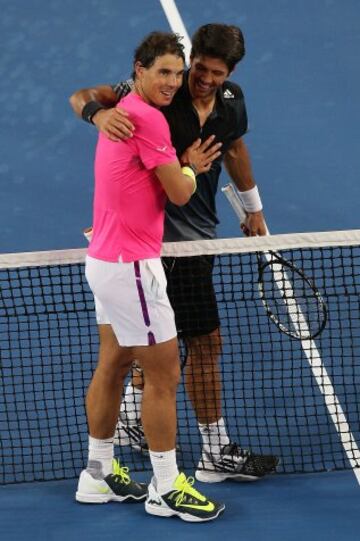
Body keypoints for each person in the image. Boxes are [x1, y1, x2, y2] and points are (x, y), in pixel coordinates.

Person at [70, 23, 279, 483]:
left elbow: (236, 149)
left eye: (214, 73)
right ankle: (210, 454)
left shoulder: (230, 102)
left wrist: (253, 208)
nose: (201, 80)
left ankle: (121, 431)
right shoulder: (154, 96)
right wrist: (97, 115)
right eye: (197, 70)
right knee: (202, 345)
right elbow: (84, 94)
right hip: (160, 248)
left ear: (231, 72)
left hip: (194, 237)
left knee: (137, 349)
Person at [75, 31, 225, 522]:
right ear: (138, 69)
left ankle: (97, 474)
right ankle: (166, 486)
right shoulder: (149, 121)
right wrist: (191, 167)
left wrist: (95, 112)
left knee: (114, 365)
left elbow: (83, 99)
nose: (173, 82)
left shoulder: (121, 111)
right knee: (162, 376)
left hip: (103, 259)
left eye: (177, 74)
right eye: (163, 72)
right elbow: (179, 195)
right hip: (134, 268)